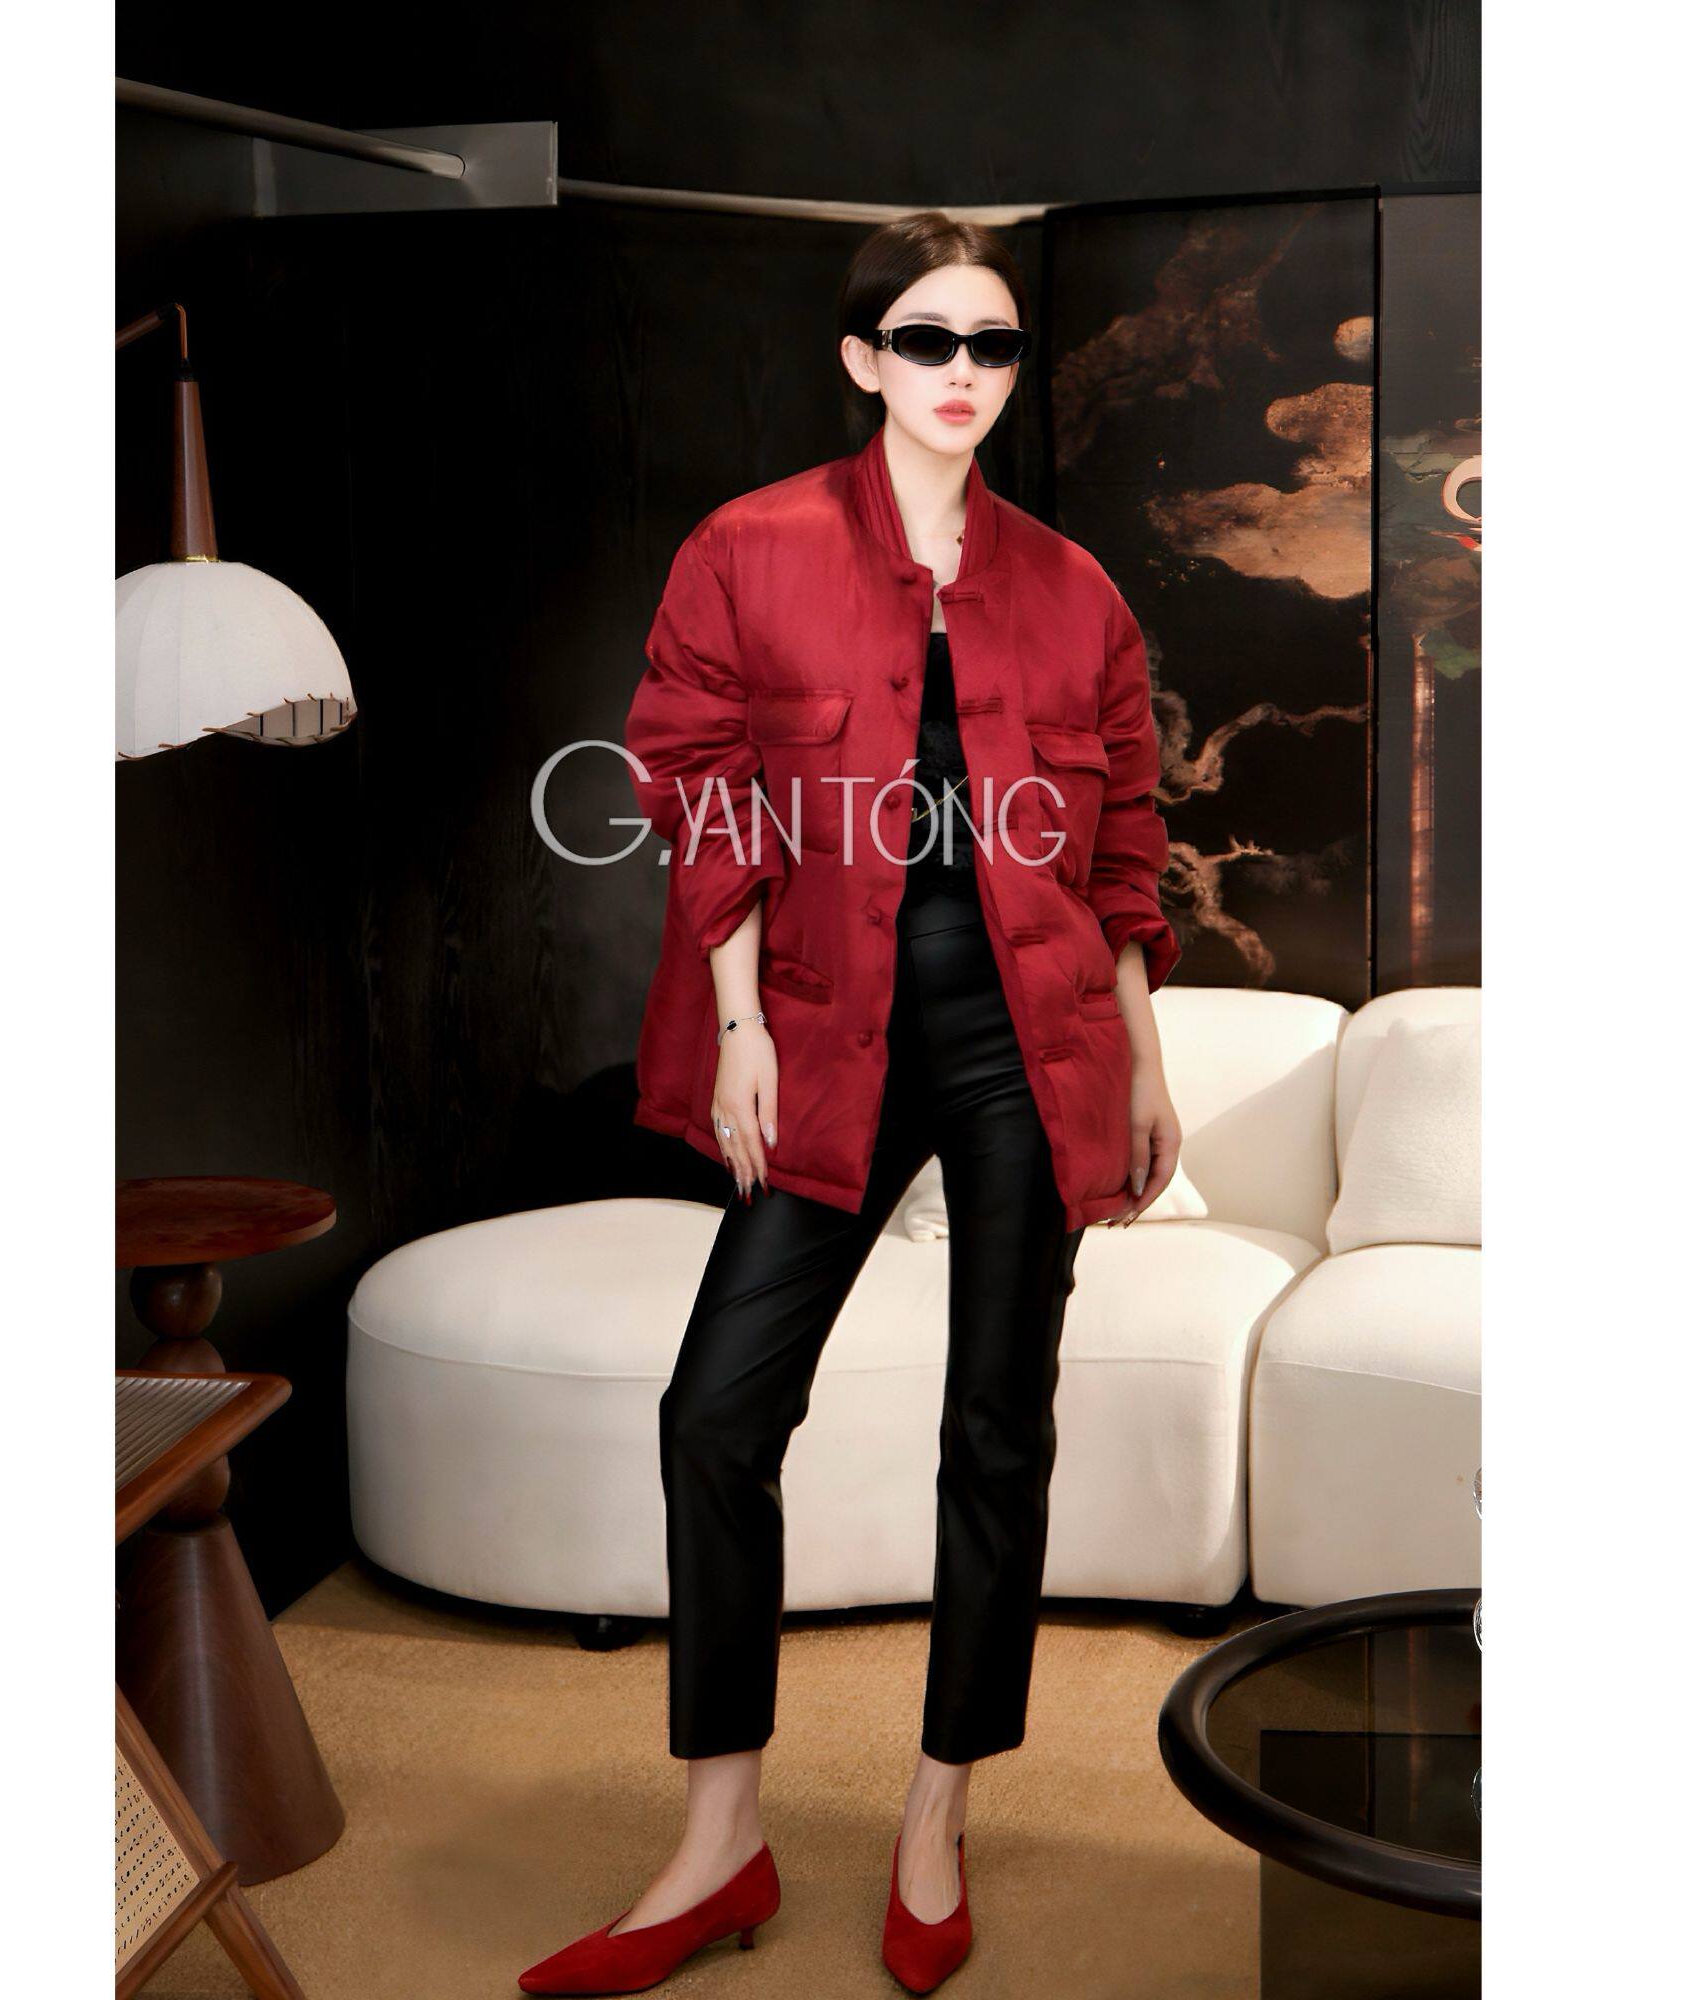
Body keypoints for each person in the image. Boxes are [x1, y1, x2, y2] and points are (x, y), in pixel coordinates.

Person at [519, 211, 1183, 1997]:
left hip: (1031, 1039)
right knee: (717, 1415)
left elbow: (1123, 845)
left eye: (993, 344)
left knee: (999, 1426)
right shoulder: (750, 549)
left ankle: (936, 1815)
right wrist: (740, 1020)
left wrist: (1142, 1054)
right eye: (928, 339)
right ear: (862, 357)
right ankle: (718, 1841)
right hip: (822, 1029)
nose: (963, 373)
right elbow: (696, 779)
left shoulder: (1077, 588)